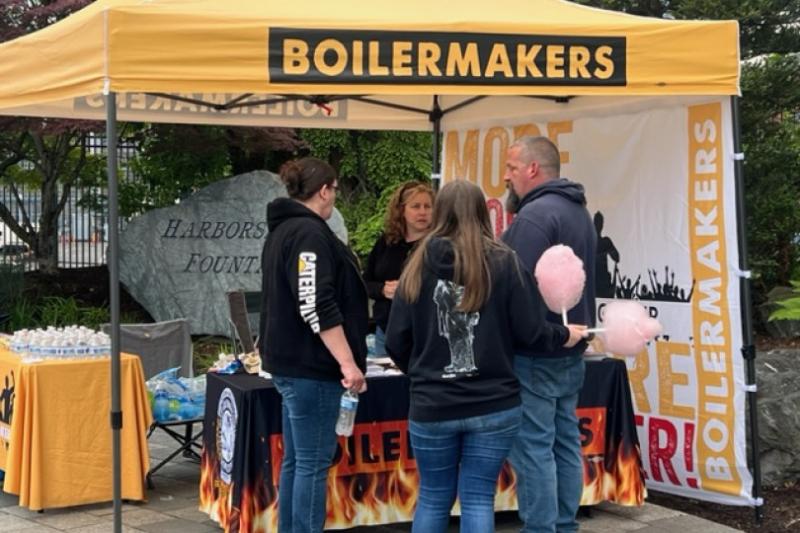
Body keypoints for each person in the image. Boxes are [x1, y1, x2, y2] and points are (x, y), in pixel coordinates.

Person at [385, 180, 585, 533]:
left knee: (433, 497)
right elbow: (531, 332)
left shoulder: (416, 266)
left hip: (433, 402)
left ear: (440, 212)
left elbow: (396, 340)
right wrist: (565, 335)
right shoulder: (505, 263)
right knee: (478, 497)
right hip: (493, 404)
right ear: (482, 212)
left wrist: (419, 372)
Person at [259, 157, 368, 533]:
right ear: (324, 190)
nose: (335, 196)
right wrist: (348, 363)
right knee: (311, 462)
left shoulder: (285, 230)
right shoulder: (308, 234)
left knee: (297, 460)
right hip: (311, 367)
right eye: (335, 189)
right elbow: (314, 302)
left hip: (291, 364)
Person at [502, 136, 597, 533]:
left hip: (538, 349)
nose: (505, 176)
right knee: (564, 443)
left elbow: (514, 288)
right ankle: (564, 524)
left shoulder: (535, 217)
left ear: (532, 169)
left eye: (510, 167)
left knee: (535, 448)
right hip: (570, 346)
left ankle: (542, 528)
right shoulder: (579, 212)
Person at [364, 181, 433, 355]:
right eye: (416, 206)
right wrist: (382, 289)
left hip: (424, 334)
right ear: (402, 210)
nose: (423, 212)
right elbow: (364, 282)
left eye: (428, 206)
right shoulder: (387, 242)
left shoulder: (439, 245)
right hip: (385, 332)